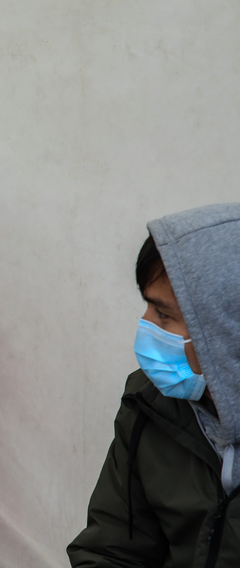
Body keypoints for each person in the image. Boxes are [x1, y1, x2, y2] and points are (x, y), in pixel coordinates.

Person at [69, 204, 240, 567]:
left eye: (164, 315)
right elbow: (112, 549)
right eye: (149, 308)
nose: (145, 325)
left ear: (227, 329)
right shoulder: (149, 404)